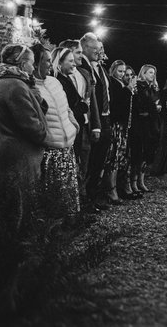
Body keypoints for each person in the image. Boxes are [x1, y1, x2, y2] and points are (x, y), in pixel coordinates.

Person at [0, 43, 47, 311]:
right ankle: (15, 273)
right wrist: (44, 133)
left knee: (18, 205)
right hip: (19, 154)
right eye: (31, 61)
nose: (34, 66)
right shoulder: (14, 87)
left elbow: (39, 107)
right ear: (21, 62)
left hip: (16, 152)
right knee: (19, 207)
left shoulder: (18, 83)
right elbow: (31, 124)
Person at [57, 39, 102, 212]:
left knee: (85, 162)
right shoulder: (59, 78)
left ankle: (84, 198)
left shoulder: (84, 73)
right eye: (78, 53)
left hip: (85, 125)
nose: (81, 56)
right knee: (74, 165)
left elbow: (93, 102)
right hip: (69, 127)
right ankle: (77, 203)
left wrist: (95, 125)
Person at [37, 45, 81, 218]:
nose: (50, 64)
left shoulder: (53, 82)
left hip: (66, 145)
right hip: (51, 148)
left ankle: (70, 224)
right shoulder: (32, 87)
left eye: (50, 60)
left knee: (68, 191)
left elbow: (67, 109)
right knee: (53, 195)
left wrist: (73, 125)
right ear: (36, 63)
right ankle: (55, 230)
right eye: (46, 60)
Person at [78, 33, 114, 209]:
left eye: (100, 49)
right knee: (91, 160)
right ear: (84, 47)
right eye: (95, 49)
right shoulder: (82, 66)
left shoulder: (99, 67)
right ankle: (88, 198)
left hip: (105, 118)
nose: (99, 52)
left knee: (100, 159)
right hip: (94, 120)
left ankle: (94, 194)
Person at [107, 59, 142, 201]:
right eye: (120, 71)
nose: (122, 74)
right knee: (114, 158)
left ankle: (120, 187)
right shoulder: (114, 84)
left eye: (123, 71)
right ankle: (111, 189)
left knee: (122, 158)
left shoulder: (122, 84)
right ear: (113, 70)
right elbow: (117, 104)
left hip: (125, 125)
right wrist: (128, 90)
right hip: (117, 125)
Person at [128, 64, 161, 194]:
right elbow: (142, 106)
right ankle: (134, 182)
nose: (153, 75)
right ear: (144, 73)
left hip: (151, 124)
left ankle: (141, 181)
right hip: (141, 125)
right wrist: (153, 108)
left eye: (154, 73)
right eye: (150, 72)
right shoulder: (140, 87)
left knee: (147, 154)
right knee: (139, 153)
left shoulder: (152, 88)